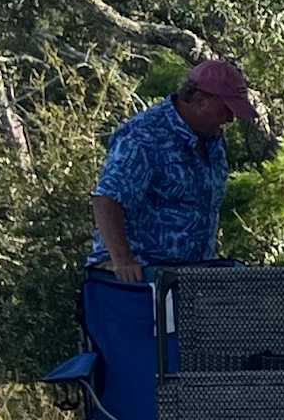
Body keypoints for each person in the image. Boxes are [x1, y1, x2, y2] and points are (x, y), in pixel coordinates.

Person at [89, 57, 264, 283]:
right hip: (141, 280)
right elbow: (107, 199)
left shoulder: (213, 138)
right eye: (226, 109)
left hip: (191, 280)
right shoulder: (144, 137)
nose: (230, 118)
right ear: (200, 100)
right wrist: (123, 261)